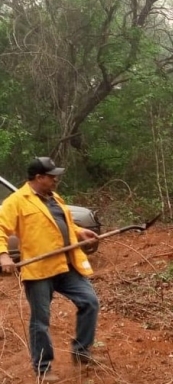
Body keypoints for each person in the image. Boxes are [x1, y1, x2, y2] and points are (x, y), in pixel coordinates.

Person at [0, 157, 102, 382]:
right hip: (39, 269)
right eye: (52, 175)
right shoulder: (17, 201)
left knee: (90, 302)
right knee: (41, 320)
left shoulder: (54, 197)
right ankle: (43, 368)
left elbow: (61, 223)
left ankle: (81, 352)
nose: (56, 179)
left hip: (66, 265)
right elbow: (0, 227)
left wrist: (79, 232)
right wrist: (3, 254)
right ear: (39, 178)